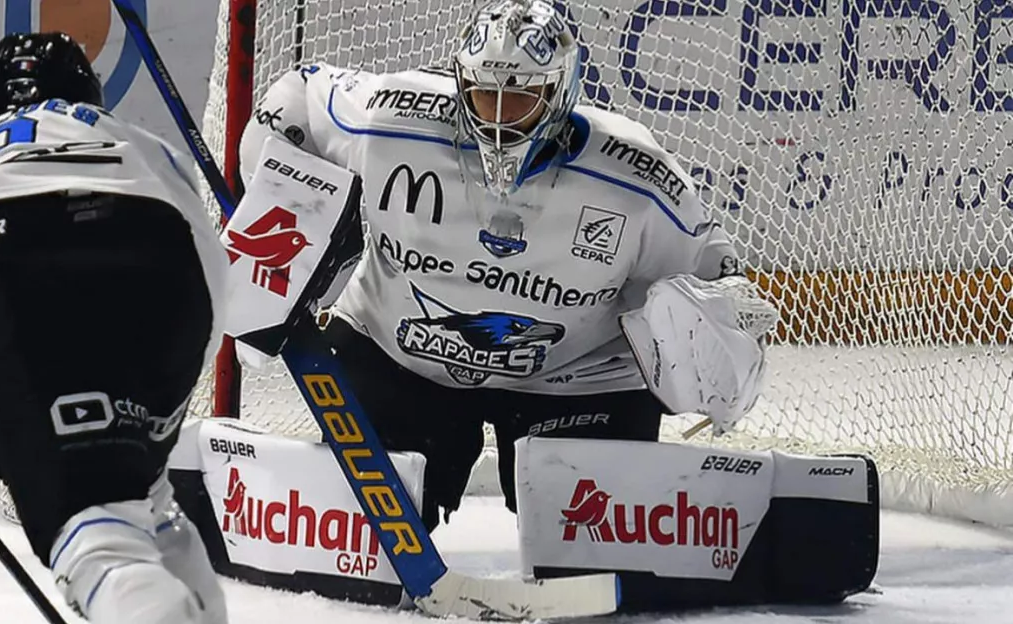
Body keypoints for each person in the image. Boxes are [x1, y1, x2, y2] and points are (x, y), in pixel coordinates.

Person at [237, 0, 773, 531]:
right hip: (400, 357)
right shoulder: (388, 120)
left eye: (519, 99)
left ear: (560, 93)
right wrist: (276, 209)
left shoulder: (641, 178)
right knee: (362, 539)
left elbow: (720, 287)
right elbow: (300, 95)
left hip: (577, 380)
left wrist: (714, 348)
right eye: (483, 95)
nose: (496, 118)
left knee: (586, 541)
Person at [0, 32, 229, 624]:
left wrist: (24, 409)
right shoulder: (142, 143)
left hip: (14, 257)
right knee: (145, 498)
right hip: (169, 266)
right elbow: (207, 261)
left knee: (97, 538)